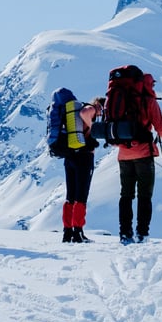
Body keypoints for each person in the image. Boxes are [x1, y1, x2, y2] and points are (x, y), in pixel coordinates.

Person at [118, 73, 162, 244]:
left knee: (126, 195)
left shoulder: (121, 100)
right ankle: (142, 232)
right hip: (144, 154)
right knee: (144, 195)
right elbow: (161, 129)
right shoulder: (149, 102)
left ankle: (125, 232)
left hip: (123, 154)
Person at [61, 97, 104, 243]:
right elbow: (85, 114)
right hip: (84, 158)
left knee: (70, 195)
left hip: (70, 156)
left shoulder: (76, 113)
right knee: (81, 195)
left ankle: (67, 232)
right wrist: (93, 128)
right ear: (100, 105)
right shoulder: (91, 109)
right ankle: (78, 232)